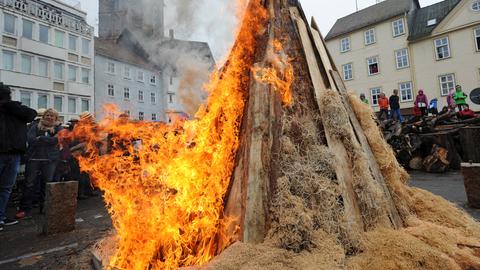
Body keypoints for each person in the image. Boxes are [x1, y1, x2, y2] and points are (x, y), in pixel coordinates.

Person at [0, 83, 37, 230]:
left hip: (14, 154)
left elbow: (31, 114)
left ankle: (1, 217)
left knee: (6, 188)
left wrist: (9, 105)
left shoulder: (15, 110)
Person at [16, 109, 62, 219]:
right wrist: (49, 139)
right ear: (43, 116)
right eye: (47, 115)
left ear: (56, 118)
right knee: (29, 184)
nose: (49, 117)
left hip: (50, 160)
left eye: (52, 116)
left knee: (47, 184)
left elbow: (57, 140)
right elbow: (31, 140)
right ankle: (25, 209)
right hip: (34, 159)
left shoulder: (58, 128)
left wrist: (41, 138)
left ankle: (45, 208)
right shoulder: (35, 126)